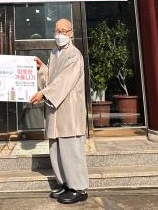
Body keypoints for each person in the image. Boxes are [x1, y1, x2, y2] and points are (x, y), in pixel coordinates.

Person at [30, 18, 89, 204]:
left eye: (64, 31)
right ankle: (65, 183)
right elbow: (51, 78)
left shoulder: (74, 55)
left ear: (71, 33)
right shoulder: (54, 53)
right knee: (56, 148)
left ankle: (78, 188)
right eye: (58, 31)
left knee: (71, 149)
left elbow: (64, 81)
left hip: (69, 110)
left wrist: (43, 93)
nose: (61, 34)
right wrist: (41, 69)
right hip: (55, 109)